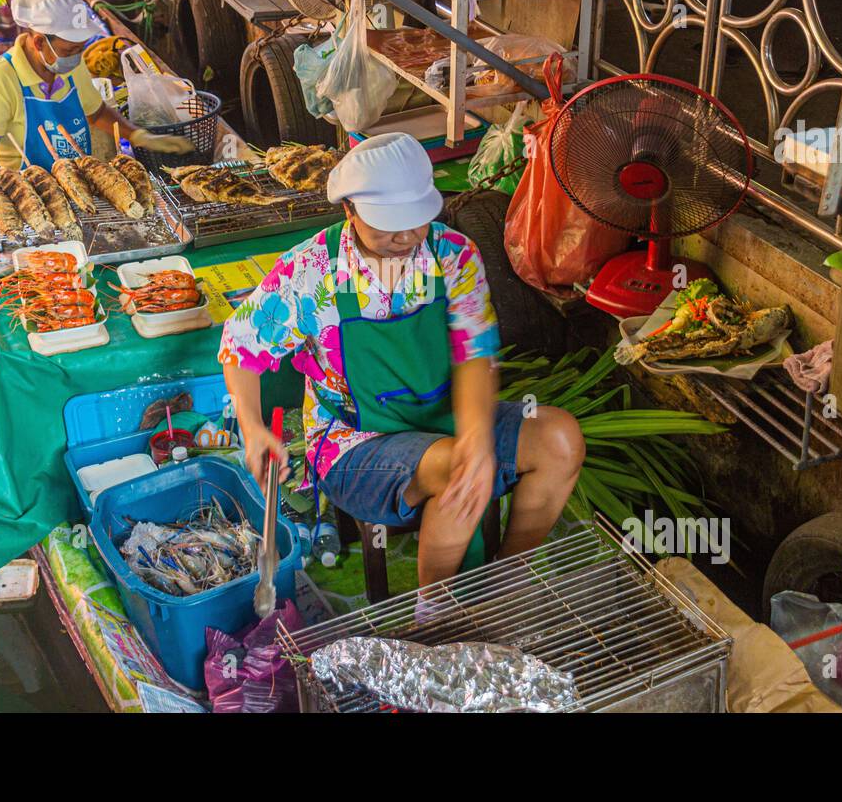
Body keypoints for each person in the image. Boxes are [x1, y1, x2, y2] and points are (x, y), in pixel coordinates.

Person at [219, 133, 584, 591]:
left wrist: (475, 436)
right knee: (457, 469)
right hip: (353, 440)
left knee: (559, 438)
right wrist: (253, 431)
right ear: (349, 210)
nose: (407, 236)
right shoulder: (312, 272)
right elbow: (240, 345)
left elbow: (475, 355)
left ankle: (506, 580)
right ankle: (434, 612)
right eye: (389, 224)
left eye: (416, 221)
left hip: (444, 417)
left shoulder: (452, 255)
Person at [0, 0, 190, 178]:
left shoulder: (70, 63)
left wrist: (138, 136)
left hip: (77, 179)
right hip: (30, 193)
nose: (77, 56)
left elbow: (96, 112)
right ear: (39, 43)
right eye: (70, 49)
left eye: (80, 48)